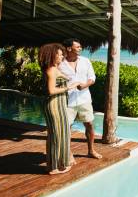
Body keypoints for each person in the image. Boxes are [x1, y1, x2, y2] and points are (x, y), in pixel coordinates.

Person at [38, 43, 80, 175]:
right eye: (60, 54)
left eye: (62, 54)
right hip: (54, 105)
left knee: (59, 134)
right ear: (52, 55)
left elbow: (64, 77)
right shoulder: (51, 69)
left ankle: (56, 163)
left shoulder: (54, 68)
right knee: (57, 135)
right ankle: (55, 167)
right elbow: (51, 90)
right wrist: (69, 87)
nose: (62, 56)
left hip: (59, 104)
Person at [59, 38, 102, 159]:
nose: (80, 48)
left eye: (80, 46)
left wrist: (85, 85)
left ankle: (91, 150)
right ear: (69, 48)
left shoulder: (85, 61)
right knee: (67, 127)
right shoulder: (60, 63)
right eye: (77, 47)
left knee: (89, 124)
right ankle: (67, 153)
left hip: (84, 99)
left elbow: (92, 78)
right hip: (68, 101)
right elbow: (56, 81)